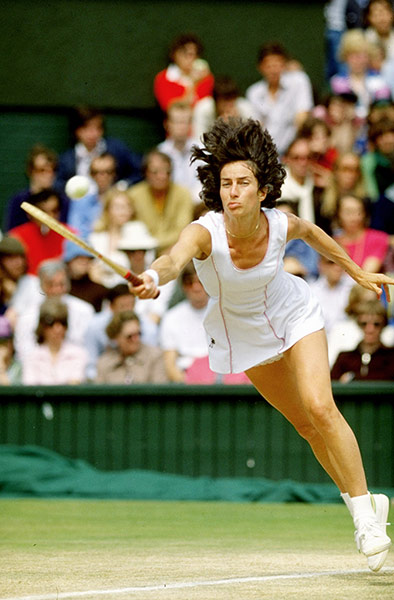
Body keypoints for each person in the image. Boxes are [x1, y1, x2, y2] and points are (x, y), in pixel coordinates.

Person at [130, 117, 393, 571]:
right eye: (226, 183)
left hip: (295, 314)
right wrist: (154, 277)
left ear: (263, 189)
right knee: (307, 427)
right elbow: (173, 258)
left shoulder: (280, 222)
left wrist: (357, 270)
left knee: (321, 407)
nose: (233, 191)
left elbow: (314, 235)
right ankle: (365, 504)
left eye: (243, 183)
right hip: (244, 335)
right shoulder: (204, 232)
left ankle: (367, 522)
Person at [13, 259, 94, 362]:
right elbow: (24, 351)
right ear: (41, 285)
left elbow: (87, 347)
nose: (56, 290)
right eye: (50, 284)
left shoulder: (85, 311)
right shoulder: (27, 315)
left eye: (61, 284)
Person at [245, 42, 314, 155]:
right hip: (265, 153)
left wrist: (293, 151)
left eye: (277, 65)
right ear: (260, 67)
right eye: (269, 66)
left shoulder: (299, 81)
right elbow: (256, 127)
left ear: (284, 64)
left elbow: (302, 116)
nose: (273, 70)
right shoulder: (253, 92)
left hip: (293, 152)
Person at [56, 106, 141, 191]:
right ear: (77, 130)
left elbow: (140, 170)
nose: (94, 133)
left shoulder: (116, 148)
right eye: (87, 128)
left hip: (111, 199)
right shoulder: (67, 159)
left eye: (98, 128)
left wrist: (124, 185)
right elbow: (58, 183)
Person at [128, 150, 194, 254]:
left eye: (167, 172)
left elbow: (182, 229)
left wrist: (157, 243)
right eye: (155, 172)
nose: (162, 176)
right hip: (141, 251)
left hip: (175, 249)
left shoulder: (183, 194)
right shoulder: (133, 195)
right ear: (146, 173)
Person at [159, 262, 209, 382]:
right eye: (190, 283)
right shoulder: (171, 317)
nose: (196, 288)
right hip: (185, 380)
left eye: (201, 282)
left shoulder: (223, 313)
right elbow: (170, 365)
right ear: (183, 286)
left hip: (220, 380)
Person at [3, 144, 69, 232]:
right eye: (42, 170)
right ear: (31, 171)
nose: (48, 175)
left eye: (52, 170)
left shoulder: (62, 201)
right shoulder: (19, 201)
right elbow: (12, 234)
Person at [22, 298, 88, 385]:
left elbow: (75, 384)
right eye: (51, 323)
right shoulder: (32, 356)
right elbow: (30, 388)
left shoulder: (78, 354)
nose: (58, 329)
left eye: (62, 322)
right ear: (42, 326)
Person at [8, 188, 71, 275]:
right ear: (30, 213)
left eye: (54, 211)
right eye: (43, 212)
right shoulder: (16, 236)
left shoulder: (70, 235)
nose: (49, 216)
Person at [95, 310, 168, 384]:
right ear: (116, 338)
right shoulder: (104, 363)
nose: (136, 340)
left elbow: (159, 391)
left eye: (138, 334)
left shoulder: (155, 357)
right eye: (130, 337)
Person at [331, 298, 394, 380]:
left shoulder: (391, 357)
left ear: (384, 325)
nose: (370, 329)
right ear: (358, 324)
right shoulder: (344, 358)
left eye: (376, 324)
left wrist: (352, 377)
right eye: (364, 324)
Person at [153, 33, 214, 113]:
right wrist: (193, 84)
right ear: (174, 54)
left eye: (193, 54)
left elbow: (204, 107)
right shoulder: (163, 78)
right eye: (185, 53)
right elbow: (172, 109)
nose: (190, 58)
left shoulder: (205, 77)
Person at [88, 187, 135, 288]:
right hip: (103, 290)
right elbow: (94, 272)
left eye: (127, 207)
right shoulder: (95, 238)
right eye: (118, 207)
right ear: (107, 210)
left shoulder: (139, 233)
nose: (123, 212)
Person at [157, 102, 202, 204]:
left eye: (185, 122)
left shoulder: (202, 150)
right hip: (170, 205)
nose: (181, 126)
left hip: (198, 205)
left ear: (191, 124)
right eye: (177, 122)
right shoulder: (160, 152)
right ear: (167, 124)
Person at [66, 152, 118, 240]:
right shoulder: (80, 202)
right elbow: (75, 234)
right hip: (88, 250)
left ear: (114, 174)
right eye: (96, 172)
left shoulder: (125, 199)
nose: (102, 176)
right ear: (91, 175)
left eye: (107, 172)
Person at [334, 193, 390, 271]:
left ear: (364, 214)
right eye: (348, 212)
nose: (353, 217)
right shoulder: (334, 241)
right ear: (338, 215)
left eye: (358, 212)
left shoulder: (378, 238)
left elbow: (368, 273)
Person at [192, 75, 256, 141]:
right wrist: (221, 128)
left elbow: (254, 139)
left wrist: (237, 126)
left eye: (232, 100)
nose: (229, 105)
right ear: (216, 101)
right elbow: (199, 140)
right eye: (225, 100)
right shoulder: (203, 108)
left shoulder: (245, 108)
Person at [64, 242, 108, 312]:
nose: (84, 262)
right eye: (79, 257)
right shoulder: (58, 288)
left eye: (88, 258)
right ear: (69, 260)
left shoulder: (99, 290)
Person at [279, 137, 315, 223]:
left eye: (308, 157)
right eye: (296, 158)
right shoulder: (278, 190)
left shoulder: (317, 187)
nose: (303, 163)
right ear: (286, 159)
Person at [0, 315, 22, 385]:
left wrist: (1, 369)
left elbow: (12, 393)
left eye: (3, 343)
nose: (1, 348)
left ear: (11, 343)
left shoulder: (18, 367)